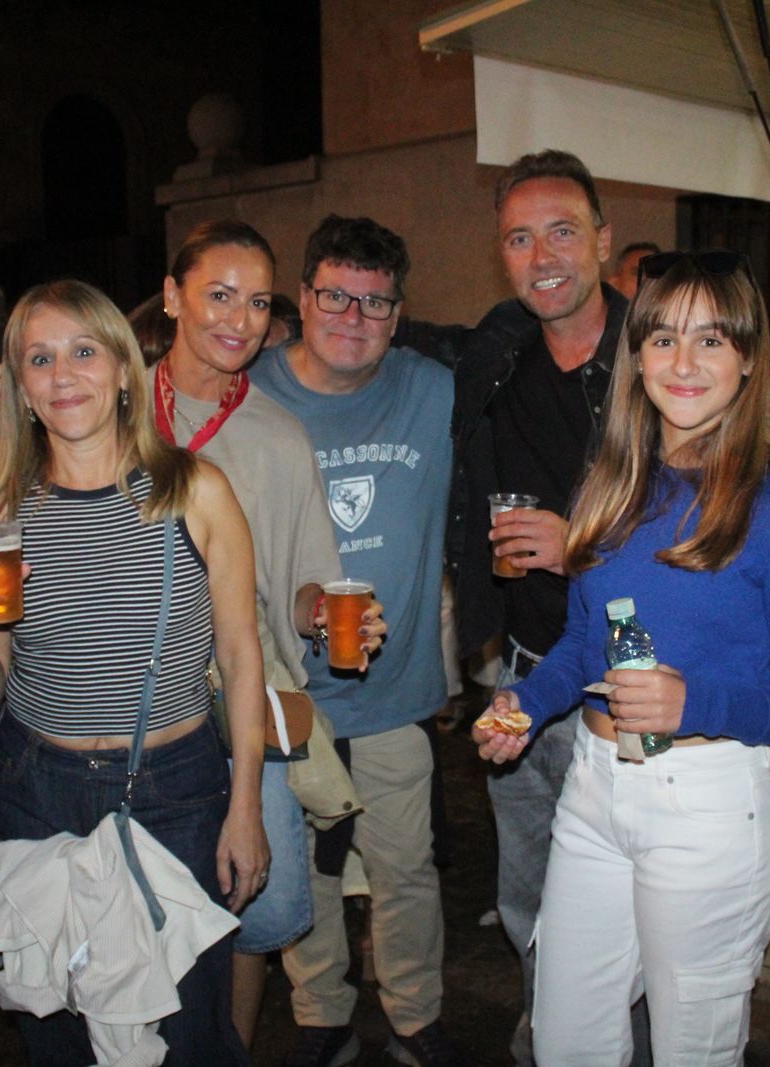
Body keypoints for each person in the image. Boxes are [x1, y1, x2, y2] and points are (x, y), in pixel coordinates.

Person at [474, 250, 770, 1065]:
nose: (684, 362)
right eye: (663, 339)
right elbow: (584, 643)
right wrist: (525, 706)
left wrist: (696, 702)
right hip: (592, 793)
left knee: (692, 1051)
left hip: (706, 809)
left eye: (711, 339)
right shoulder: (612, 488)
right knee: (565, 1040)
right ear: (637, 356)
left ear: (747, 360)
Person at [0, 278, 269, 1067]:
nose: (63, 376)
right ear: (20, 387)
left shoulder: (194, 491)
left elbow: (240, 656)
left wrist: (247, 804)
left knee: (188, 1033)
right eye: (40, 359)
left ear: (124, 369)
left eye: (83, 351)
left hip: (173, 792)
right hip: (36, 789)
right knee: (57, 1030)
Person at [396, 148, 638, 1065]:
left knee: (628, 905)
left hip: (628, 673)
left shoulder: (659, 360)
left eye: (562, 231)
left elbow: (704, 527)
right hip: (526, 666)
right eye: (519, 238)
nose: (543, 257)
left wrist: (581, 544)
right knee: (530, 888)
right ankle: (548, 1034)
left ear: (603, 241)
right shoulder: (499, 349)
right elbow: (385, 341)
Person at [155, 218, 383, 1051]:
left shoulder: (278, 434)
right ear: (172, 296)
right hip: (129, 701)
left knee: (251, 907)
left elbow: (302, 587)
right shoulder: (108, 405)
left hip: (237, 705)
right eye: (218, 294)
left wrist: (321, 611)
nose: (240, 319)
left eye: (257, 302)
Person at [250, 215, 459, 1067]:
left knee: (407, 868)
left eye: (375, 302)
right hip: (285, 691)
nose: (353, 317)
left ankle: (415, 1016)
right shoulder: (249, 393)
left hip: (393, 691)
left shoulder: (433, 391)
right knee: (305, 870)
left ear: (398, 315)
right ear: (302, 299)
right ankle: (321, 1017)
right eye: (335, 295)